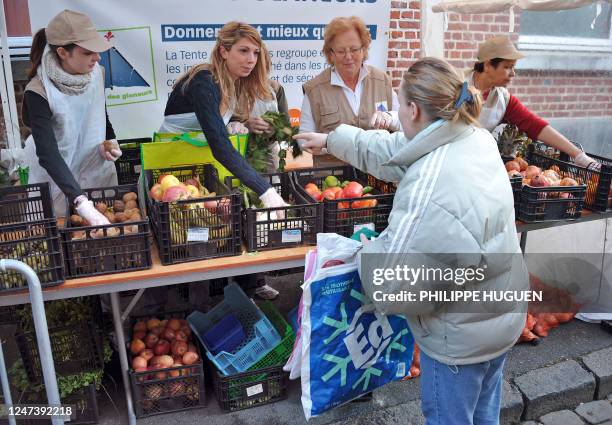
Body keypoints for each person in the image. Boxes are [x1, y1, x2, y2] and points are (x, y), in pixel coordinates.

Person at [295, 57, 528, 424]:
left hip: (459, 340)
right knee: (484, 416)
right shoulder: (470, 135)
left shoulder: (431, 183)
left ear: (414, 110)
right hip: (498, 316)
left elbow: (392, 280)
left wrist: (362, 251)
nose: (396, 113)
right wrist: (332, 139)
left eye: (398, 104)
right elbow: (396, 152)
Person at [160, 21, 286, 210]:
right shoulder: (204, 81)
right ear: (223, 52)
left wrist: (237, 125)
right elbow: (220, 146)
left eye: (256, 52)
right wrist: (265, 191)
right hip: (170, 169)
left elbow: (212, 126)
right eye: (243, 50)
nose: (252, 59)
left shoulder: (233, 82)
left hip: (200, 169)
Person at [18, 10, 120, 222]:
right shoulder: (38, 91)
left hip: (94, 166)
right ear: (63, 52)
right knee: (60, 233)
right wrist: (81, 203)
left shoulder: (96, 74)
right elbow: (47, 153)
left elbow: (100, 111)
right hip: (56, 175)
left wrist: (109, 139)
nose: (97, 57)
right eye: (87, 52)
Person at [470, 36, 599, 169]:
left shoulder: (503, 99)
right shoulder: (455, 87)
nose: (513, 73)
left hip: (474, 165)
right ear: (487, 65)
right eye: (507, 67)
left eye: (513, 67)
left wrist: (579, 155)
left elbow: (535, 125)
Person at [300, 16, 399, 167]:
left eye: (354, 50)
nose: (348, 57)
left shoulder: (382, 81)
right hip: (333, 182)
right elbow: (304, 140)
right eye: (341, 51)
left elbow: (404, 124)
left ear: (364, 50)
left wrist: (390, 117)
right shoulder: (315, 89)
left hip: (378, 176)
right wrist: (333, 145)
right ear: (331, 54)